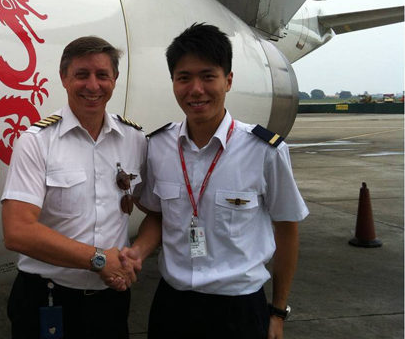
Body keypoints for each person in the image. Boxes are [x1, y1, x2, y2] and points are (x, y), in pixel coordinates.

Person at [119, 23, 309, 339]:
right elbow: (157, 214)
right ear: (173, 82)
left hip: (239, 309)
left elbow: (287, 230)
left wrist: (277, 312)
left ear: (228, 80)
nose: (196, 89)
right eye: (184, 78)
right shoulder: (158, 147)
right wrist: (137, 251)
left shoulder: (264, 151)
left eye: (208, 76)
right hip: (173, 305)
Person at [1, 36, 147, 339]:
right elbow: (17, 231)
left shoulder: (134, 139)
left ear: (114, 79)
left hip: (110, 300)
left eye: (102, 75)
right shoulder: (37, 142)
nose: (93, 85)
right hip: (47, 298)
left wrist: (137, 253)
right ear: (64, 78)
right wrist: (98, 259)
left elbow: (156, 210)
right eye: (82, 74)